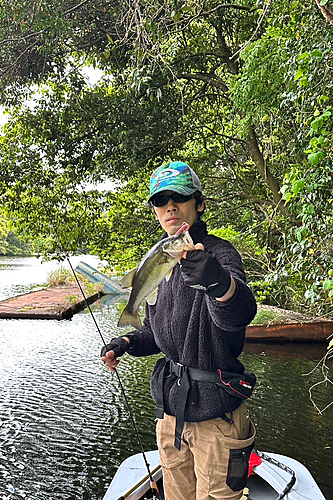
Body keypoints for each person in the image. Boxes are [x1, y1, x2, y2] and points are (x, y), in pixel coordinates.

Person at [101, 161, 257, 500]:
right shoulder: (158, 261)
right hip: (170, 417)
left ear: (199, 204)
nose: (169, 206)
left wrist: (218, 282)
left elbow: (240, 314)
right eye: (160, 200)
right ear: (155, 210)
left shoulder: (220, 254)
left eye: (179, 197)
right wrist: (126, 341)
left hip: (217, 419)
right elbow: (159, 335)